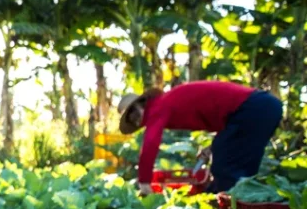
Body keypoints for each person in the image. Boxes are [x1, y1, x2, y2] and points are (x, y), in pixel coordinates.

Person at [117, 81, 283, 196]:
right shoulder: (166, 103)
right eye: (132, 121)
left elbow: (151, 143)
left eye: (134, 115)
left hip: (255, 108)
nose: (137, 121)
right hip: (261, 108)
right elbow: (226, 118)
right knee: (237, 170)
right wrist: (212, 147)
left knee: (226, 171)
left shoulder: (158, 107)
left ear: (141, 105)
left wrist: (144, 183)